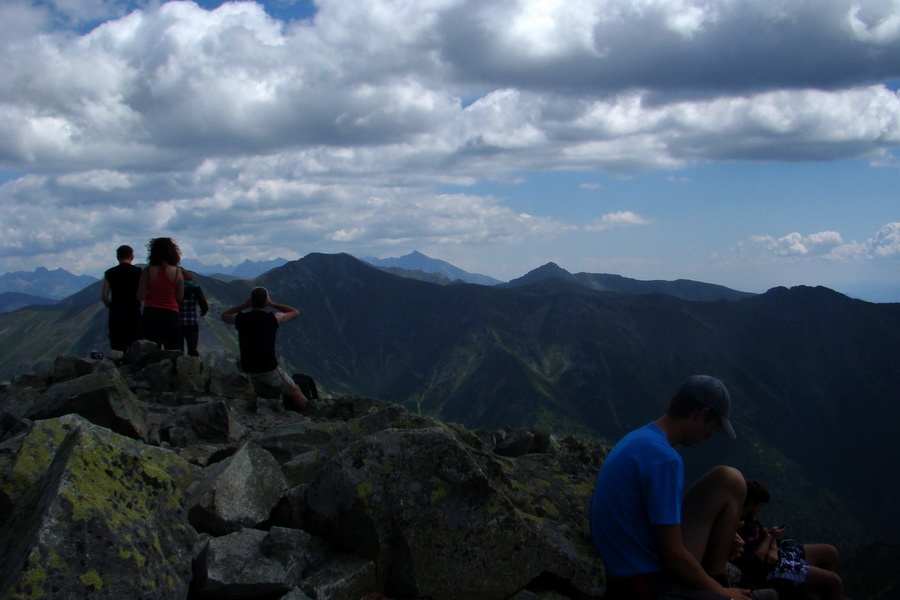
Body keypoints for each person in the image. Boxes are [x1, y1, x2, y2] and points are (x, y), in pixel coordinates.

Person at [589, 375, 750, 600]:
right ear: (701, 414)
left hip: (627, 563)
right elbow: (672, 556)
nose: (708, 436)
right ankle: (718, 584)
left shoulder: (640, 438)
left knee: (729, 479)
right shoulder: (665, 459)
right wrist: (723, 593)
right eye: (710, 427)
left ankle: (716, 580)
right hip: (644, 581)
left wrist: (719, 536)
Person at [735, 481, 843, 600]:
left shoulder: (750, 517)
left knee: (829, 551)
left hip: (779, 554)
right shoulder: (737, 525)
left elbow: (766, 532)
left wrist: (773, 548)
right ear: (751, 503)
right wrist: (771, 538)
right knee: (834, 582)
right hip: (771, 569)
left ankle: (811, 592)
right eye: (760, 505)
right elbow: (757, 558)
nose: (761, 509)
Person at [220, 286, 309, 412]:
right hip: (267, 369)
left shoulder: (241, 319)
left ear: (251, 301)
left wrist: (245, 304)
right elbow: (295, 312)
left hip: (247, 367)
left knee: (239, 359)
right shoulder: (273, 318)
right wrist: (272, 303)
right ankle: (312, 414)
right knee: (295, 390)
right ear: (266, 301)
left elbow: (225, 315)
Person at [137, 237, 184, 350]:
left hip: (151, 314)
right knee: (172, 350)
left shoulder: (147, 271)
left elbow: (139, 296)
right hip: (171, 315)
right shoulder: (177, 272)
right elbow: (180, 297)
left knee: (151, 352)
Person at [101, 245, 142, 353]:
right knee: (135, 350)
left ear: (117, 257)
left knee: (117, 350)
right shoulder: (139, 272)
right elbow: (143, 293)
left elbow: (104, 296)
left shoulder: (109, 273)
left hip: (117, 315)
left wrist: (112, 307)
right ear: (132, 257)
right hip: (134, 314)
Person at [178, 269, 208, 357]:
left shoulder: (174, 287)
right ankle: (194, 367)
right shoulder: (195, 287)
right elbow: (202, 302)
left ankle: (177, 368)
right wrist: (204, 311)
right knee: (192, 348)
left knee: (178, 349)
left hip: (177, 321)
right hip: (191, 321)